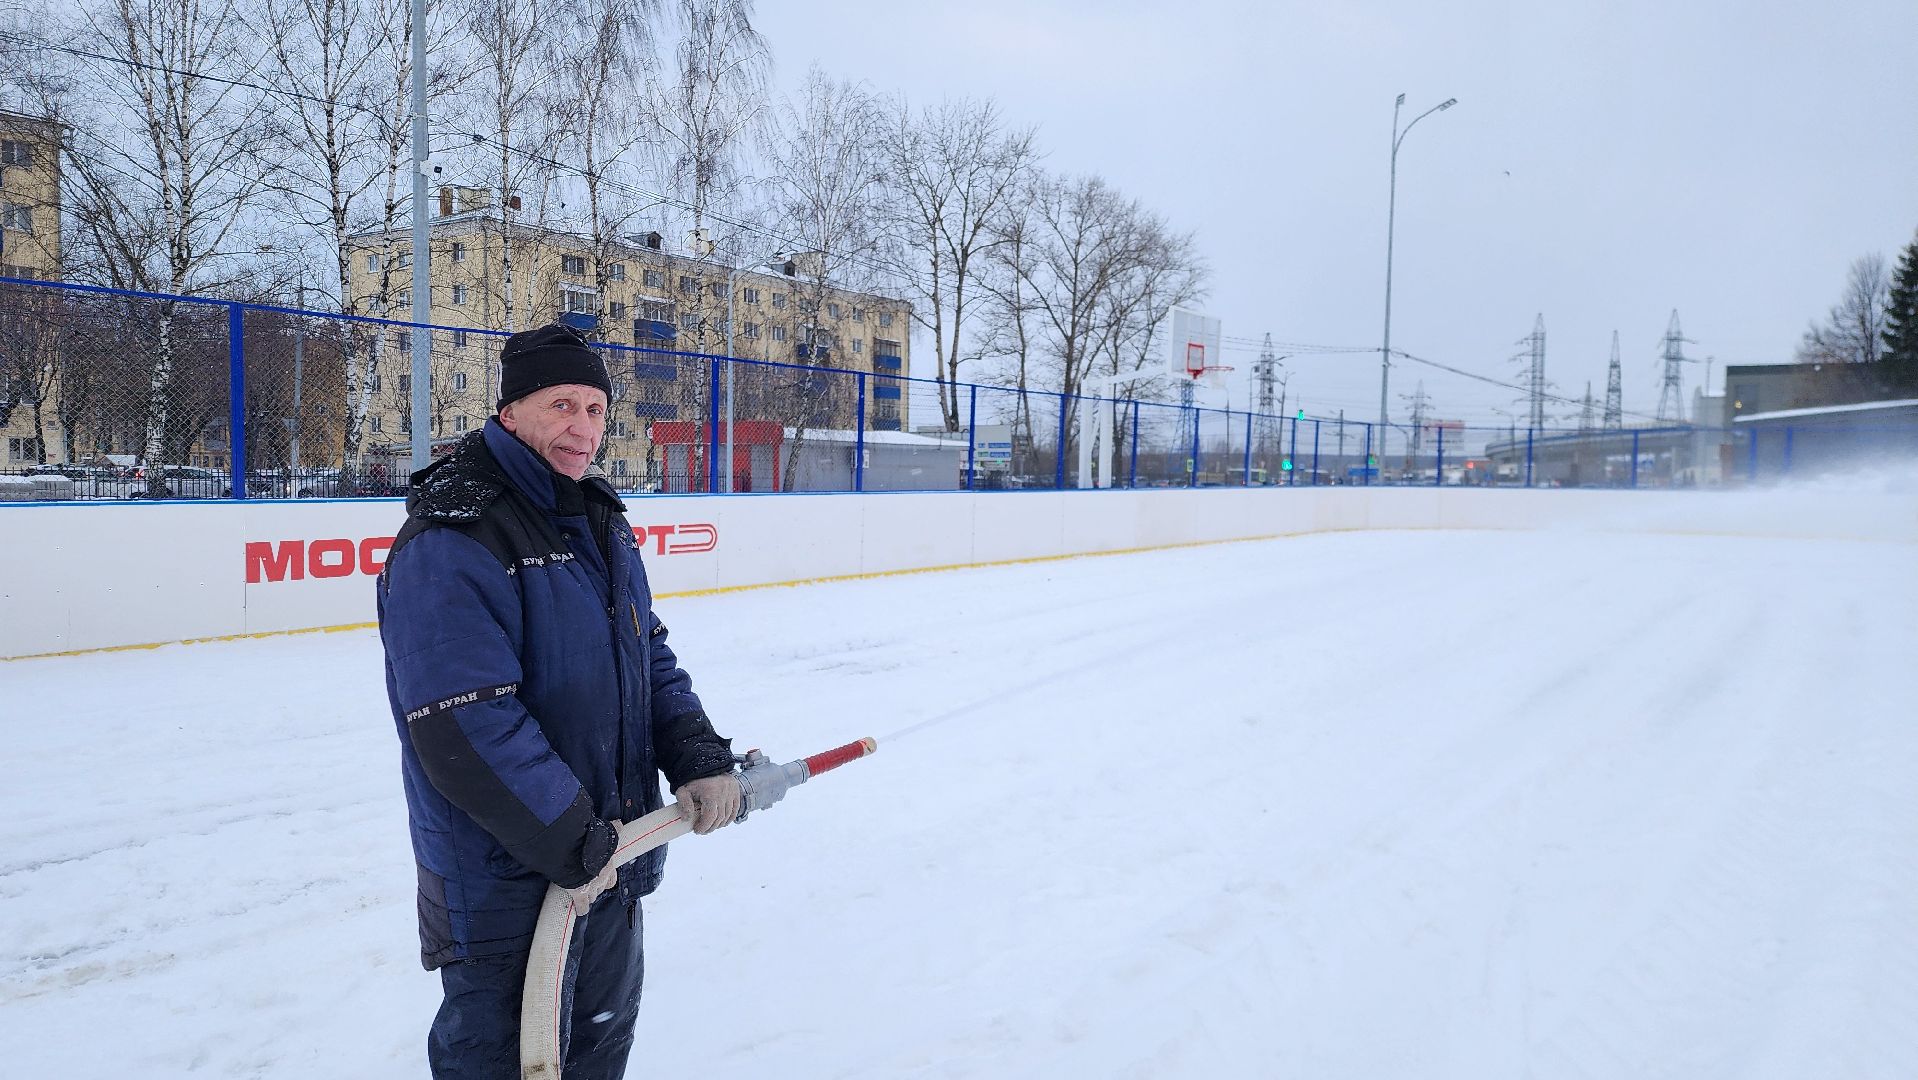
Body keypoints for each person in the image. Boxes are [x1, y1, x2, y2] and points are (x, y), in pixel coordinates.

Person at [378, 323, 742, 1079]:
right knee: (510, 1065)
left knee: (596, 1052)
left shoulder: (597, 518)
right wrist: (574, 839)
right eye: (561, 405)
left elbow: (647, 656)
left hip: (607, 858)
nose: (584, 428)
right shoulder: (456, 531)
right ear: (511, 413)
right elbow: (462, 721)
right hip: (507, 879)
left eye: (596, 409)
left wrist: (697, 755)